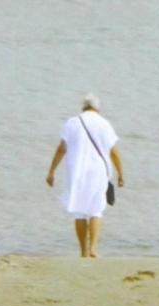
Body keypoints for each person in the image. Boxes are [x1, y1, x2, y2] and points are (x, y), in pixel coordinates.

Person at [46, 94, 125, 258]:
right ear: (98, 108)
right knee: (96, 209)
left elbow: (62, 148)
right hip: (99, 171)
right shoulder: (104, 123)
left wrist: (51, 171)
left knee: (80, 212)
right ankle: (93, 249)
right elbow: (113, 151)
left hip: (77, 171)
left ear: (83, 106)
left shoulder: (72, 122)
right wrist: (120, 173)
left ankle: (83, 250)